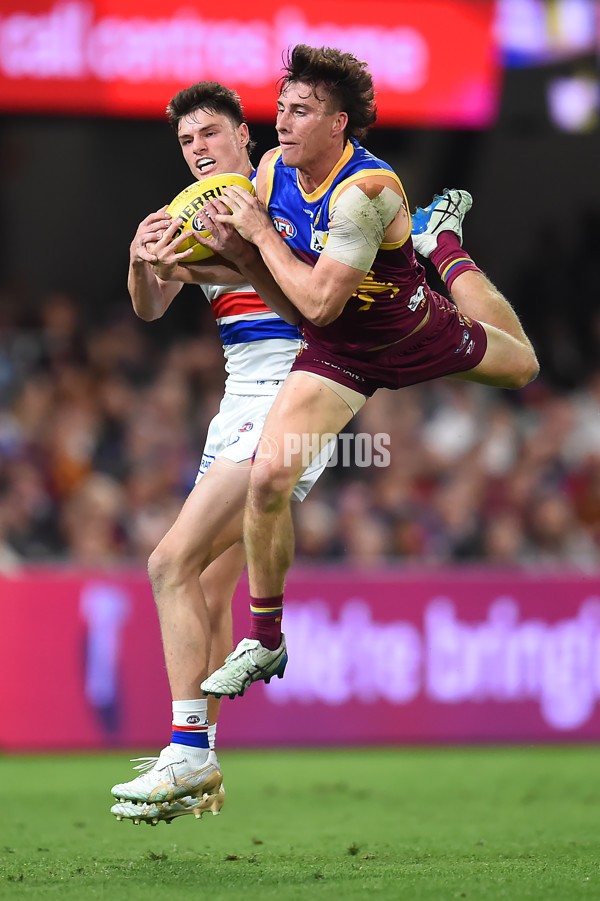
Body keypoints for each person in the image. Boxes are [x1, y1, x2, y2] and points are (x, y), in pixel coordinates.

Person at [200, 44, 539, 699]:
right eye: (281, 107)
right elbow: (295, 300)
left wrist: (258, 240)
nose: (283, 122)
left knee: (522, 365)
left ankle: (440, 242)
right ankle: (266, 642)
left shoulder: (367, 193)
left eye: (301, 111)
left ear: (339, 124)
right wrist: (193, 260)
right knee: (268, 475)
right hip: (338, 352)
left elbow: (320, 296)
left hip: (412, 329)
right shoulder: (272, 173)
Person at [110, 80, 333, 826]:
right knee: (203, 589)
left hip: (292, 396)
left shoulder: (287, 189)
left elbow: (308, 295)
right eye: (185, 141)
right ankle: (197, 766)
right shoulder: (193, 215)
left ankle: (187, 748)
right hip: (238, 406)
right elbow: (149, 308)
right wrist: (145, 260)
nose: (197, 150)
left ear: (246, 135)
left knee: (167, 563)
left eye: (208, 134)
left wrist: (194, 264)